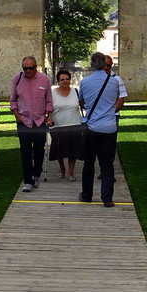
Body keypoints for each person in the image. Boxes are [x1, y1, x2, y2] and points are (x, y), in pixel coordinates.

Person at [77, 51, 127, 207]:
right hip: (109, 128)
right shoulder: (114, 82)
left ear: (91, 65)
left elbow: (82, 103)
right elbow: (115, 101)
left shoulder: (85, 82)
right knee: (107, 165)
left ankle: (86, 194)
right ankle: (107, 198)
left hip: (92, 127)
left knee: (89, 163)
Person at [8, 55, 53, 192]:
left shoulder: (44, 80)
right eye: (25, 68)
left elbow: (49, 100)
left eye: (30, 68)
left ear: (36, 67)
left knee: (39, 150)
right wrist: (17, 115)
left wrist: (47, 116)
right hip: (24, 121)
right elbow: (12, 99)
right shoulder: (18, 79)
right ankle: (27, 181)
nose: (27, 71)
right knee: (25, 151)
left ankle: (36, 173)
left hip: (39, 121)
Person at [48, 68, 84, 180]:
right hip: (58, 125)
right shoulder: (52, 93)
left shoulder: (76, 91)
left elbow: (82, 104)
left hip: (74, 124)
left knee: (73, 150)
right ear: (58, 81)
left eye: (67, 79)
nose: (65, 81)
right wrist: (49, 118)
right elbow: (48, 108)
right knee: (60, 150)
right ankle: (62, 167)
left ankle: (70, 172)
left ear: (70, 80)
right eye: (62, 79)